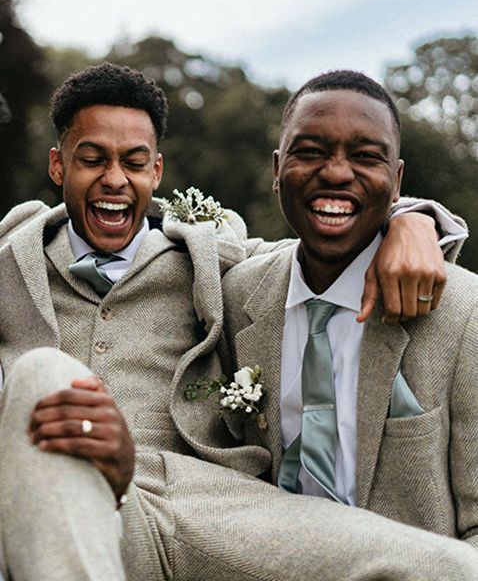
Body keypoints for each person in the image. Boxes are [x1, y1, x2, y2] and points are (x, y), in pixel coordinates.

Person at [0, 62, 476, 581]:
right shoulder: (12, 260)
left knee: (444, 566)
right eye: (92, 159)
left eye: (133, 162)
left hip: (201, 503)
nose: (114, 178)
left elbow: (320, 240)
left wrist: (412, 219)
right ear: (58, 165)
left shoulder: (209, 260)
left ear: (155, 172)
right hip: (71, 507)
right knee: (42, 374)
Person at [221, 69, 478, 548]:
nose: (336, 173)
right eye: (312, 152)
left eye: (364, 156)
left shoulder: (465, 314)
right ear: (277, 170)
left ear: (396, 180)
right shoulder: (236, 296)